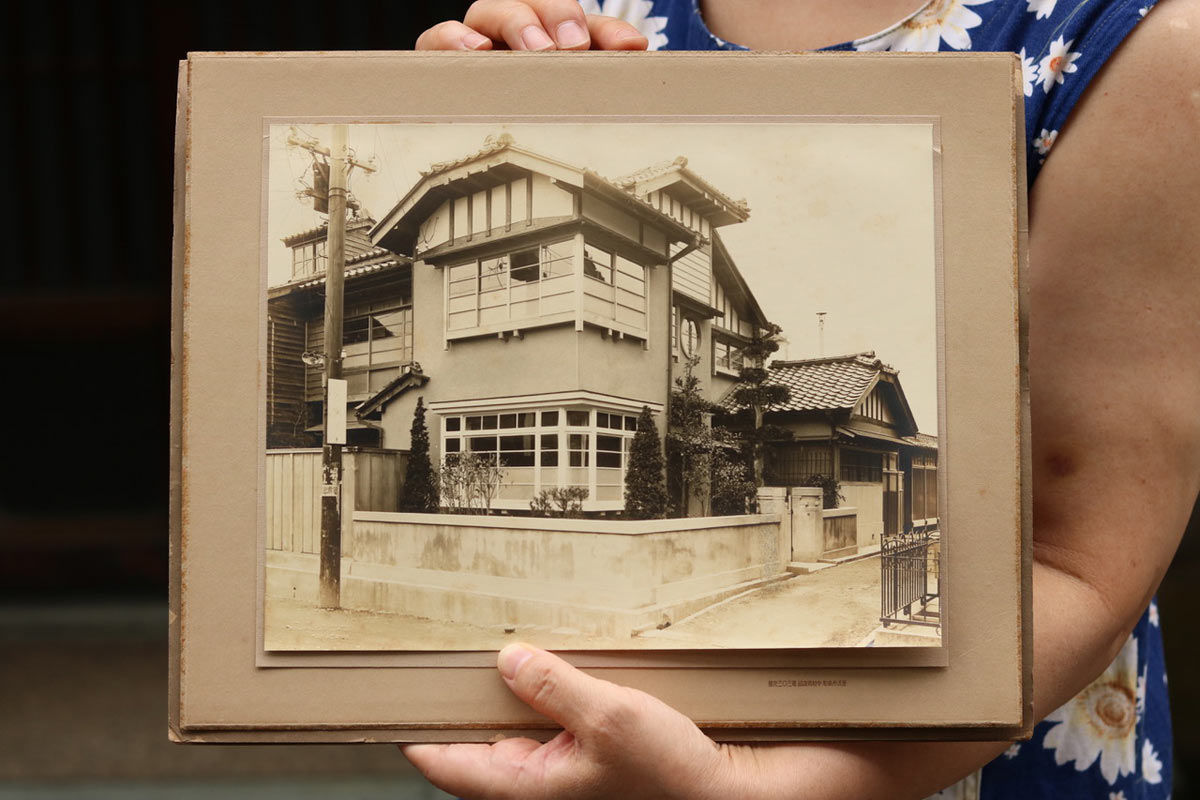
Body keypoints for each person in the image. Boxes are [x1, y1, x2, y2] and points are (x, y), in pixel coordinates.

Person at [407, 1, 1200, 797]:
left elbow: (1078, 564)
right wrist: (427, 103)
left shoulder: (1118, 34)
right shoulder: (605, 12)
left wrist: (747, 785)